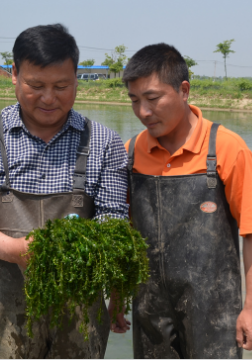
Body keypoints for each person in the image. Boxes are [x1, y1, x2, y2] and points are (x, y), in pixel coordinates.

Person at [0, 24, 129, 359]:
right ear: (14, 75)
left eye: (61, 86)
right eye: (36, 85)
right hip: (4, 315)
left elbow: (114, 220)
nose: (48, 98)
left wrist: (78, 252)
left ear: (76, 78)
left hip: (81, 316)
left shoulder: (104, 143)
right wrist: (16, 250)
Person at [108, 43, 252, 358]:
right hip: (150, 312)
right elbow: (125, 235)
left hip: (214, 312)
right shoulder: (130, 152)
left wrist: (250, 308)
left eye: (153, 98)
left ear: (184, 90)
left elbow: (250, 234)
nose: (143, 112)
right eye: (134, 100)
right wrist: (117, 299)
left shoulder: (227, 148)